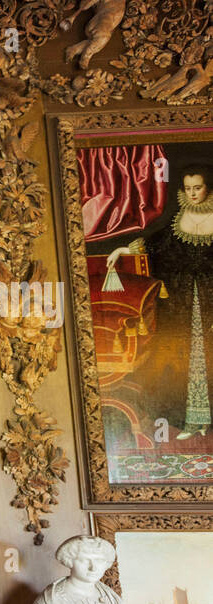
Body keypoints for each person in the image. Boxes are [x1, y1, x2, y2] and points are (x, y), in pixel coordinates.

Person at [105, 164, 213, 440]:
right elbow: (158, 244)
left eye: (197, 187)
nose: (193, 194)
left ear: (208, 187)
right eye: (188, 188)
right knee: (183, 358)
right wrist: (123, 248)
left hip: (211, 300)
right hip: (181, 302)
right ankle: (190, 422)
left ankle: (207, 422)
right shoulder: (179, 220)